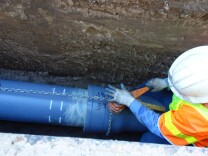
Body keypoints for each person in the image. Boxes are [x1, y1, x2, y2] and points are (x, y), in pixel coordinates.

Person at [106, 46, 208, 147]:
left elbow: (158, 125)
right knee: (152, 89)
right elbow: (195, 77)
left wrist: (129, 102)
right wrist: (166, 82)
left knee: (149, 142)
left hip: (191, 135)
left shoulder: (201, 119)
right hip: (185, 106)